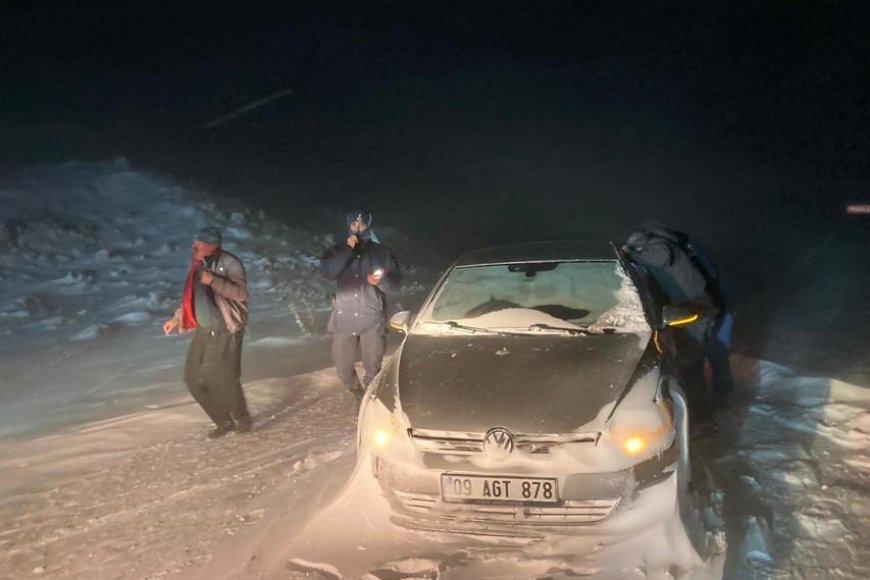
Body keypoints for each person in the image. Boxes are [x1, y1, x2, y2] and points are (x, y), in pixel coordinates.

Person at [622, 221, 735, 429]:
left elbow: (675, 277)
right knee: (712, 356)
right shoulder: (676, 248)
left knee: (692, 363)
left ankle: (702, 421)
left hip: (698, 310)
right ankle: (719, 401)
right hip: (707, 306)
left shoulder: (657, 252)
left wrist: (626, 256)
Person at [163, 226, 252, 438]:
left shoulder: (229, 262)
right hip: (204, 328)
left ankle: (241, 417)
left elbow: (240, 294)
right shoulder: (197, 265)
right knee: (192, 378)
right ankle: (223, 420)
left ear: (211, 246)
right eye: (195, 243)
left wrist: (214, 280)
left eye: (199, 244)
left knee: (223, 377)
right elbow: (193, 296)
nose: (194, 246)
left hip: (225, 328)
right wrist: (177, 317)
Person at [320, 211, 401, 400]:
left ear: (368, 226)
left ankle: (367, 401)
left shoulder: (382, 253)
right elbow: (329, 273)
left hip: (371, 318)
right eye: (354, 224)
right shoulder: (338, 250)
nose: (357, 227)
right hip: (344, 318)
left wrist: (381, 281)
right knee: (342, 368)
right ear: (348, 225)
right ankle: (357, 392)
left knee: (373, 368)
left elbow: (395, 285)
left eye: (362, 224)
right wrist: (349, 251)